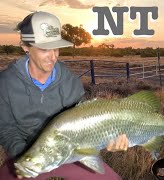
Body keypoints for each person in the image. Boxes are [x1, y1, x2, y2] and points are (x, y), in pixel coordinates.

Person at [0, 11, 128, 180]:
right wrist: (29, 157)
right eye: (45, 49)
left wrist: (109, 139)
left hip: (68, 152)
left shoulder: (71, 83)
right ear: (25, 46)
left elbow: (84, 129)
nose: (53, 57)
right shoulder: (5, 83)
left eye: (56, 47)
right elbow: (6, 129)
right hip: (26, 152)